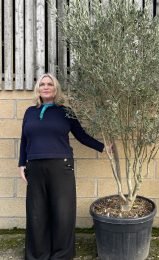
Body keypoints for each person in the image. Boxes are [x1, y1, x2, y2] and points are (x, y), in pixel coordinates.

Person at [18, 73, 105, 260]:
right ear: (38, 89)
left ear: (56, 89)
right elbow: (24, 139)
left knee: (62, 212)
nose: (46, 87)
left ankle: (61, 255)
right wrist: (21, 164)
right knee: (36, 213)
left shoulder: (66, 112)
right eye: (42, 84)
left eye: (50, 84)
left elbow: (81, 136)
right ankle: (37, 255)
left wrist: (103, 147)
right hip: (34, 167)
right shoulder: (29, 112)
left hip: (61, 166)